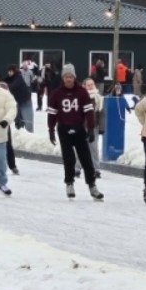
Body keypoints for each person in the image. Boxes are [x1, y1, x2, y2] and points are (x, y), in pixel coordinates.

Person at [47, 64, 104, 200]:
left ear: (74, 77)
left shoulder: (82, 92)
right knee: (69, 158)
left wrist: (90, 129)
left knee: (86, 158)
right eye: (66, 77)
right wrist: (51, 129)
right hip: (64, 129)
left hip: (79, 128)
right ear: (63, 77)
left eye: (70, 76)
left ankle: (92, 185)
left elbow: (89, 111)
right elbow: (52, 114)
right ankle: (69, 183)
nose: (68, 79)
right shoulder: (56, 93)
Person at [3, 64, 34, 133]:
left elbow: (13, 86)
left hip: (25, 101)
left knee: (27, 121)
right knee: (18, 121)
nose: (9, 73)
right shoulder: (8, 79)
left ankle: (30, 135)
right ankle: (20, 135)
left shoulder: (18, 77)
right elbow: (3, 82)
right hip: (17, 102)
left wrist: (6, 85)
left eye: (11, 71)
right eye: (9, 71)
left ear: (14, 71)